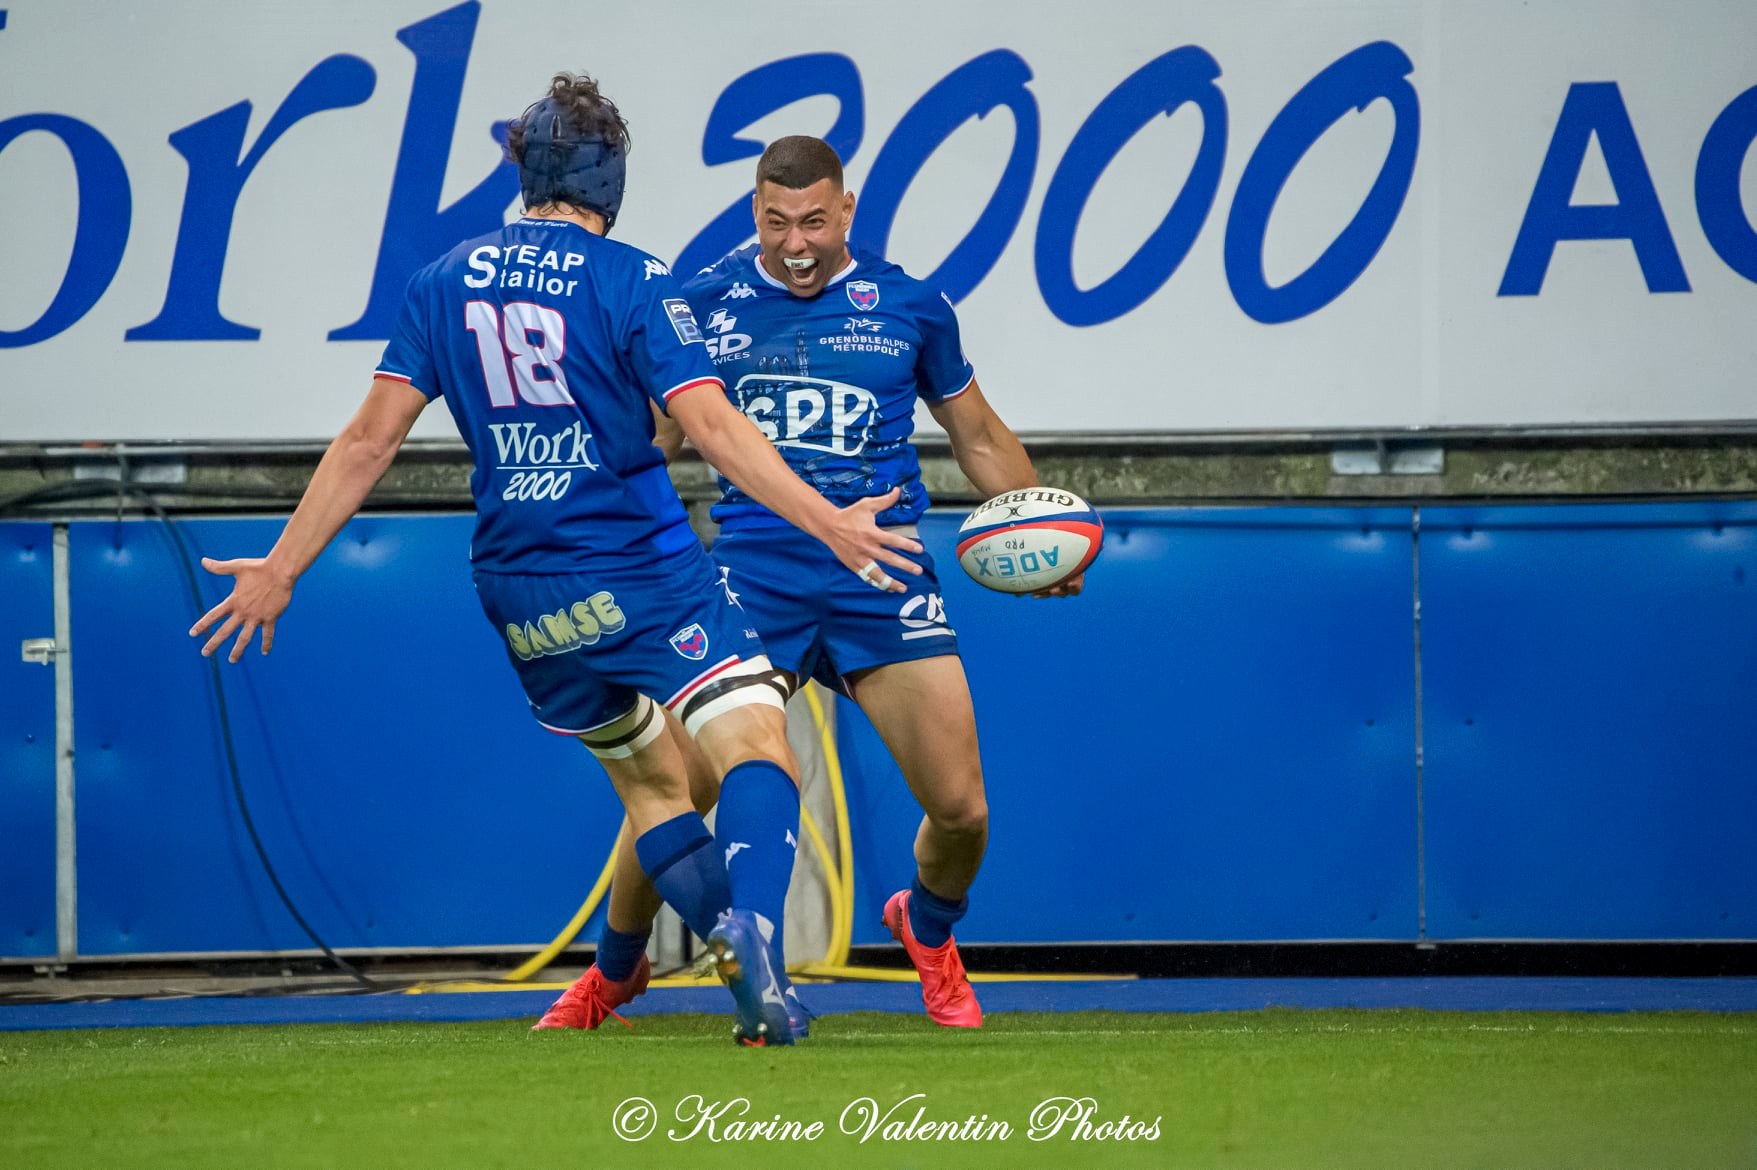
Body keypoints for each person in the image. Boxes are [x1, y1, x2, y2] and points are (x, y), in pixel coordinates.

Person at [186, 80, 921, 1047]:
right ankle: (751, 928)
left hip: (521, 592)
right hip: (638, 564)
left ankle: (749, 972)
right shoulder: (632, 278)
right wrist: (829, 519)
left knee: (655, 791)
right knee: (755, 744)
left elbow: (369, 439)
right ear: (608, 176)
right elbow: (711, 427)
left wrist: (283, 566)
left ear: (524, 173)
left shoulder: (440, 280)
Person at [543, 134, 1079, 1032]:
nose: (796, 243)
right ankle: (616, 968)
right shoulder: (699, 301)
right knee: (672, 781)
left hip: (884, 571)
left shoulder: (908, 305)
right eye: (776, 221)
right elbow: (651, 442)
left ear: (848, 211)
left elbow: (979, 437)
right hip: (754, 574)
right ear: (754, 211)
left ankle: (929, 928)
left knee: (960, 808)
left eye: (815, 223)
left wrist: (1040, 531)